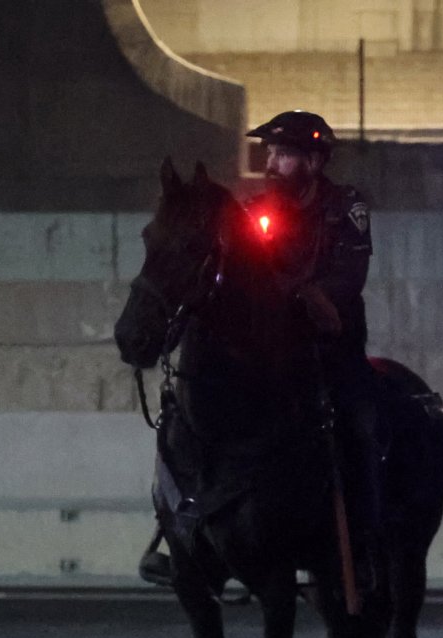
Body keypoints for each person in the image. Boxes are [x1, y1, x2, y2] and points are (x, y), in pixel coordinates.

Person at [138, 109, 378, 590]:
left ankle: (365, 542)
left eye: (284, 154)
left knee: (363, 425)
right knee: (191, 418)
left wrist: (303, 295)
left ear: (314, 161)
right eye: (269, 152)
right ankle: (178, 529)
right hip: (272, 349)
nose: (271, 163)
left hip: (329, 346)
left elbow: (348, 280)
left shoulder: (345, 207)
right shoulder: (252, 211)